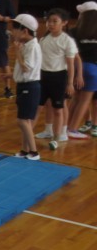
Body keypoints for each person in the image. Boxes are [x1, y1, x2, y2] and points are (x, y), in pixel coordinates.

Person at [33, 8, 77, 150]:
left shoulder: (67, 41)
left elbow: (71, 64)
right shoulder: (43, 39)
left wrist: (70, 83)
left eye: (55, 21)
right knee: (37, 107)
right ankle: (28, 134)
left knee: (58, 109)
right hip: (43, 76)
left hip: (59, 77)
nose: (50, 24)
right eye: (48, 21)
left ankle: (56, 138)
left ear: (64, 23)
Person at [9, 14, 42, 160]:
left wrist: (17, 52)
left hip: (30, 86)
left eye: (15, 29)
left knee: (22, 120)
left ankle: (34, 152)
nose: (12, 32)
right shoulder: (27, 45)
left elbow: (26, 68)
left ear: (25, 31)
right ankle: (24, 150)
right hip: (24, 86)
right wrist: (10, 75)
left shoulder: (32, 47)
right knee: (26, 121)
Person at [67, 1, 97, 139]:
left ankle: (65, 126)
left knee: (75, 99)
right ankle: (73, 129)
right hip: (93, 69)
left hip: (76, 67)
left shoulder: (74, 31)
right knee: (85, 101)